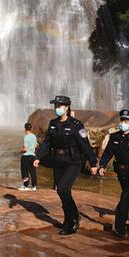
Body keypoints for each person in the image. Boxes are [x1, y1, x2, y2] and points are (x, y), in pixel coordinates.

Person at [35, 95, 98, 235]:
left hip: (73, 162)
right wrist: (38, 157)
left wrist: (93, 163)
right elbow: (47, 143)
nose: (57, 109)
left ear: (67, 107)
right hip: (58, 161)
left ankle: (73, 221)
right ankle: (69, 218)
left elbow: (85, 145)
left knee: (63, 189)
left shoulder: (76, 125)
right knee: (62, 191)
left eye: (59, 106)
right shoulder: (53, 123)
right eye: (55, 106)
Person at [98, 109, 129, 237]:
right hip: (121, 172)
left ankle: (120, 229)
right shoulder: (114, 137)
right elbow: (108, 153)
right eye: (122, 121)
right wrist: (102, 166)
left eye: (126, 122)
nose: (123, 123)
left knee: (124, 200)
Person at [19, 122, 38, 191]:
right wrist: (32, 148)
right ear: (31, 128)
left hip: (26, 156)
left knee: (25, 171)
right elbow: (36, 145)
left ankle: (25, 186)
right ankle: (34, 186)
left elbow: (25, 149)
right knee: (33, 172)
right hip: (32, 156)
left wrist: (20, 151)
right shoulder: (34, 136)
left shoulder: (26, 137)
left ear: (25, 129)